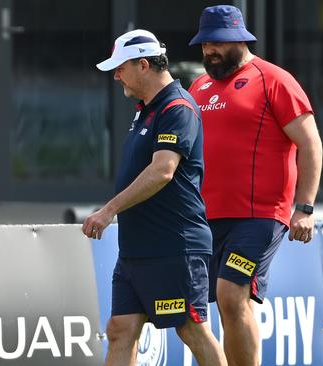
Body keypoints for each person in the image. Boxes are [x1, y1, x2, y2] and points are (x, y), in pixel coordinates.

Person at [187, 5, 323, 365]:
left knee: (232, 295)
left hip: (259, 216)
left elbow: (310, 144)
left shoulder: (274, 79)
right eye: (204, 45)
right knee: (201, 309)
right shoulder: (198, 87)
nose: (208, 52)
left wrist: (305, 208)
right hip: (204, 217)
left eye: (216, 43)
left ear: (239, 39)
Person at [84, 29, 227, 366]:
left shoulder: (177, 107)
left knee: (190, 329)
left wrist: (109, 211)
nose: (116, 75)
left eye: (120, 67)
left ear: (144, 65)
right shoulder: (145, 109)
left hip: (173, 246)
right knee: (121, 328)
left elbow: (163, 170)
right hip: (138, 249)